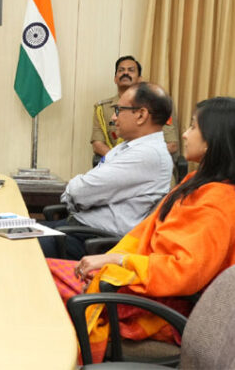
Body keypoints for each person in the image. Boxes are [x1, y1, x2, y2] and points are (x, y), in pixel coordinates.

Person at [50, 96, 235, 363]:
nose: (184, 134)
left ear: (213, 140)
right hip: (137, 285)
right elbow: (142, 236)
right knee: (38, 273)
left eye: (193, 127)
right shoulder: (196, 182)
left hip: (161, 307)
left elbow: (183, 272)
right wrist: (109, 265)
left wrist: (117, 262)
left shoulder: (218, 202)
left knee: (41, 285)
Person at [39, 82, 173, 259]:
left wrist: (77, 188)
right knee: (12, 232)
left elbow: (81, 191)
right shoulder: (128, 146)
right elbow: (87, 187)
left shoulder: (148, 154)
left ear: (141, 115)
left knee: (16, 245)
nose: (114, 117)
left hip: (94, 242)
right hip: (79, 228)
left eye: (119, 110)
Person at [92, 56, 179, 158]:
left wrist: (137, 158)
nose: (125, 73)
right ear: (115, 79)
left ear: (140, 79)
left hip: (150, 162)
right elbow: (97, 144)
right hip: (116, 162)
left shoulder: (157, 104)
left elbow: (172, 145)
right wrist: (119, 160)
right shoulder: (102, 109)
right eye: (121, 70)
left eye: (131, 70)